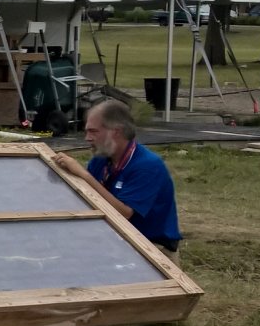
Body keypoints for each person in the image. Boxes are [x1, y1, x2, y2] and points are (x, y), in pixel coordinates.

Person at [52, 100, 182, 252]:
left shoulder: (148, 165)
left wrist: (84, 175)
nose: (87, 138)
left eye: (93, 131)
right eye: (86, 131)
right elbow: (86, 198)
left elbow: (124, 213)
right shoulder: (100, 160)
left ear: (116, 131)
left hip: (153, 249)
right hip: (116, 241)